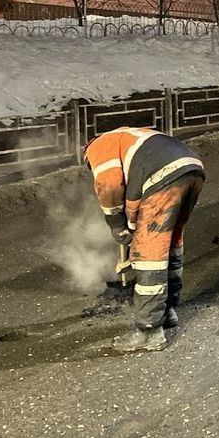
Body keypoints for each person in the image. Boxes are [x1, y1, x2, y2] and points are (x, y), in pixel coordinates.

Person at [83, 127, 205, 353]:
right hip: (191, 168)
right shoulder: (131, 137)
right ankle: (167, 311)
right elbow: (135, 191)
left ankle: (149, 331)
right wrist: (131, 226)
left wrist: (117, 226)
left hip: (164, 175)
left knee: (150, 255)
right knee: (170, 243)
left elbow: (109, 186)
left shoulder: (99, 147)